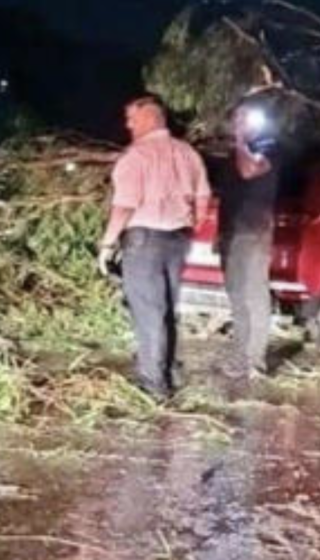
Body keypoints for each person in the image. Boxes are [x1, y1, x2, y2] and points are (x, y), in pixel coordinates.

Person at [98, 95, 211, 399]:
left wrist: (107, 245)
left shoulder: (136, 157)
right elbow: (203, 198)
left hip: (144, 241)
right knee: (166, 309)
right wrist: (193, 225)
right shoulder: (188, 153)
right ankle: (168, 371)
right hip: (178, 239)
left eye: (131, 118)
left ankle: (153, 384)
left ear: (149, 118)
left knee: (149, 311)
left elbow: (124, 206)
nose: (128, 124)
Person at [216, 104, 281, 380]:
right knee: (236, 297)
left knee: (255, 294)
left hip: (254, 233)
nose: (239, 122)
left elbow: (249, 172)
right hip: (232, 233)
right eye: (236, 118)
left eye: (245, 118)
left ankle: (256, 361)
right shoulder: (231, 154)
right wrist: (219, 234)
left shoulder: (268, 146)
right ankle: (240, 357)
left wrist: (241, 141)